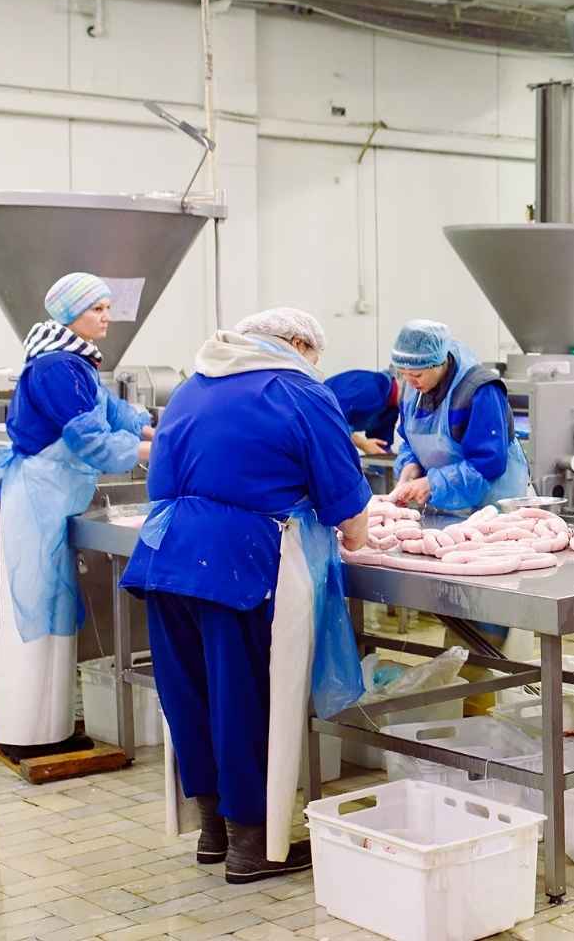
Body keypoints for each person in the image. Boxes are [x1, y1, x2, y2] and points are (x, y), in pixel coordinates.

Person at [120, 309, 371, 884]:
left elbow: (162, 480)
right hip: (242, 564)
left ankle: (214, 831)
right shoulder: (298, 390)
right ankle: (253, 845)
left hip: (166, 556)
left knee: (193, 698)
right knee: (247, 700)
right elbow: (345, 501)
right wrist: (358, 535)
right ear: (300, 343)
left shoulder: (193, 385)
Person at [0, 272, 153, 757]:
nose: (107, 317)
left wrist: (160, 425)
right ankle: (26, 735)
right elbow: (91, 441)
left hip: (53, 497)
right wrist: (154, 450)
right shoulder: (59, 367)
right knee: (35, 614)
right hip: (38, 497)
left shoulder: (74, 360)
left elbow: (113, 415)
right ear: (70, 314)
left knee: (55, 614)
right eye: (97, 309)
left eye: (107, 307)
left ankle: (51, 729)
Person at [387, 320, 529, 512]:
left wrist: (432, 483)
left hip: (495, 508)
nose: (410, 382)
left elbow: (489, 463)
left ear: (440, 362)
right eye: (403, 374)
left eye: (418, 375)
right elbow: (408, 441)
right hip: (448, 509)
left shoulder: (479, 390)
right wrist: (411, 464)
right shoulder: (412, 391)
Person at [326, 368, 400, 455]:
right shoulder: (370, 387)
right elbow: (330, 423)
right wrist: (362, 443)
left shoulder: (391, 409)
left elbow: (380, 449)